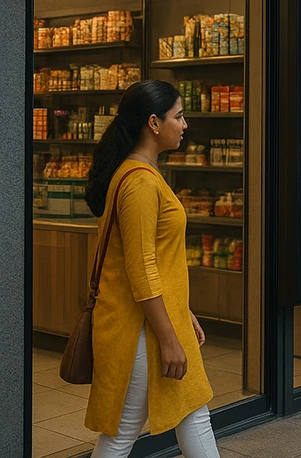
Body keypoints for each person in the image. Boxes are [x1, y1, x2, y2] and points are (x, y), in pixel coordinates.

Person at [83, 80, 219, 458]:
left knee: (193, 413)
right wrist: (169, 340)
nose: (185, 124)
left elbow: (156, 260)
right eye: (178, 116)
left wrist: (182, 312)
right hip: (138, 329)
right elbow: (140, 267)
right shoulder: (140, 183)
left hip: (153, 319)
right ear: (154, 124)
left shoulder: (144, 173)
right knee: (123, 433)